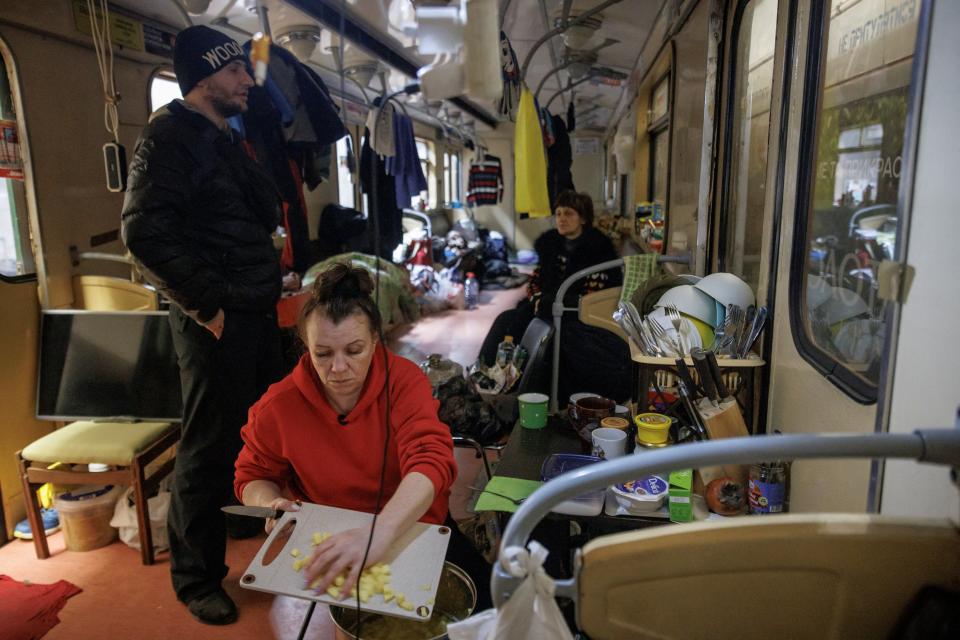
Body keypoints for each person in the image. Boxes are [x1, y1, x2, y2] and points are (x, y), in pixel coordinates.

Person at [121, 25, 284, 625]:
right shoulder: (168, 139)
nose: (247, 79)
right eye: (236, 70)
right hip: (216, 321)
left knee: (257, 434)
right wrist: (207, 310)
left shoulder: (220, 135)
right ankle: (195, 578)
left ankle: (232, 527)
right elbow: (143, 235)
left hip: (251, 311)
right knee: (208, 447)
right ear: (205, 76)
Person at [234, 263, 492, 609]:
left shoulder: (404, 381)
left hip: (413, 523)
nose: (338, 368)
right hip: (332, 536)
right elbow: (254, 475)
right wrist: (270, 504)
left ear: (375, 340)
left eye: (353, 351)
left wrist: (380, 531)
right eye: (322, 354)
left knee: (485, 607)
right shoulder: (279, 406)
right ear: (305, 346)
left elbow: (430, 459)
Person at [477, 190, 620, 366]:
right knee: (505, 319)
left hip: (576, 315)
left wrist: (553, 304)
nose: (561, 219)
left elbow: (592, 298)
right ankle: (484, 373)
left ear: (583, 219)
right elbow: (535, 281)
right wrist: (538, 299)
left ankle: (518, 377)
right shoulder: (550, 245)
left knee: (541, 336)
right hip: (545, 307)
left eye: (568, 213)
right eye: (558, 213)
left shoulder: (598, 250)